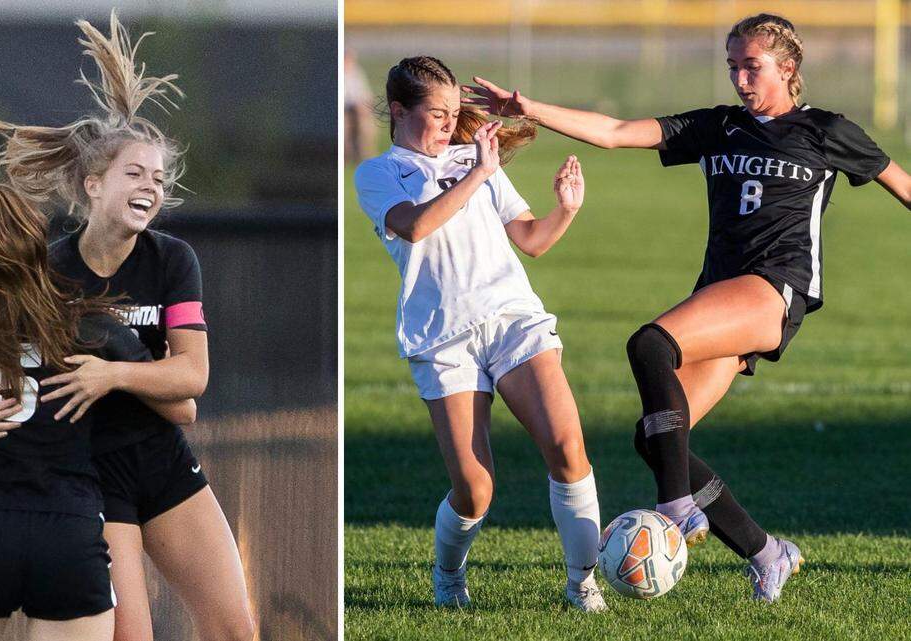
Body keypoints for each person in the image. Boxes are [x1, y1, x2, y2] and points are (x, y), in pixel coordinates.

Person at [464, 13, 911, 603]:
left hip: (773, 289)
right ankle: (768, 553)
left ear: (788, 68)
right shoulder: (718, 126)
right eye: (732, 66)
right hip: (720, 294)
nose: (740, 79)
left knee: (650, 344)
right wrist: (530, 108)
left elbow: (904, 184)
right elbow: (616, 131)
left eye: (752, 66)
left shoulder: (826, 130)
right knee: (656, 438)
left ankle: (674, 506)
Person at [0, 12, 255, 641]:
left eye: (159, 178)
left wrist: (113, 375)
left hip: (163, 461)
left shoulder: (172, 259)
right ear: (93, 184)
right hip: (90, 476)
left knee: (234, 629)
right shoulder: (50, 270)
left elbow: (191, 383)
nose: (150, 187)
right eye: (134, 174)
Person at [354, 56, 606, 613]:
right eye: (436, 113)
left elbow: (531, 240)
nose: (450, 124)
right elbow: (415, 226)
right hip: (442, 337)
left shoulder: (476, 158)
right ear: (399, 110)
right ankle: (448, 574)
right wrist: (477, 174)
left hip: (511, 317)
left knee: (567, 447)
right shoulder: (377, 173)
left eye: (454, 113)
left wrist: (566, 210)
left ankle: (583, 584)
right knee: (475, 491)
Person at [0, 183, 192, 641]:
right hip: (69, 533)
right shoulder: (96, 328)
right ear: (38, 252)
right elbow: (183, 408)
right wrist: (122, 372)